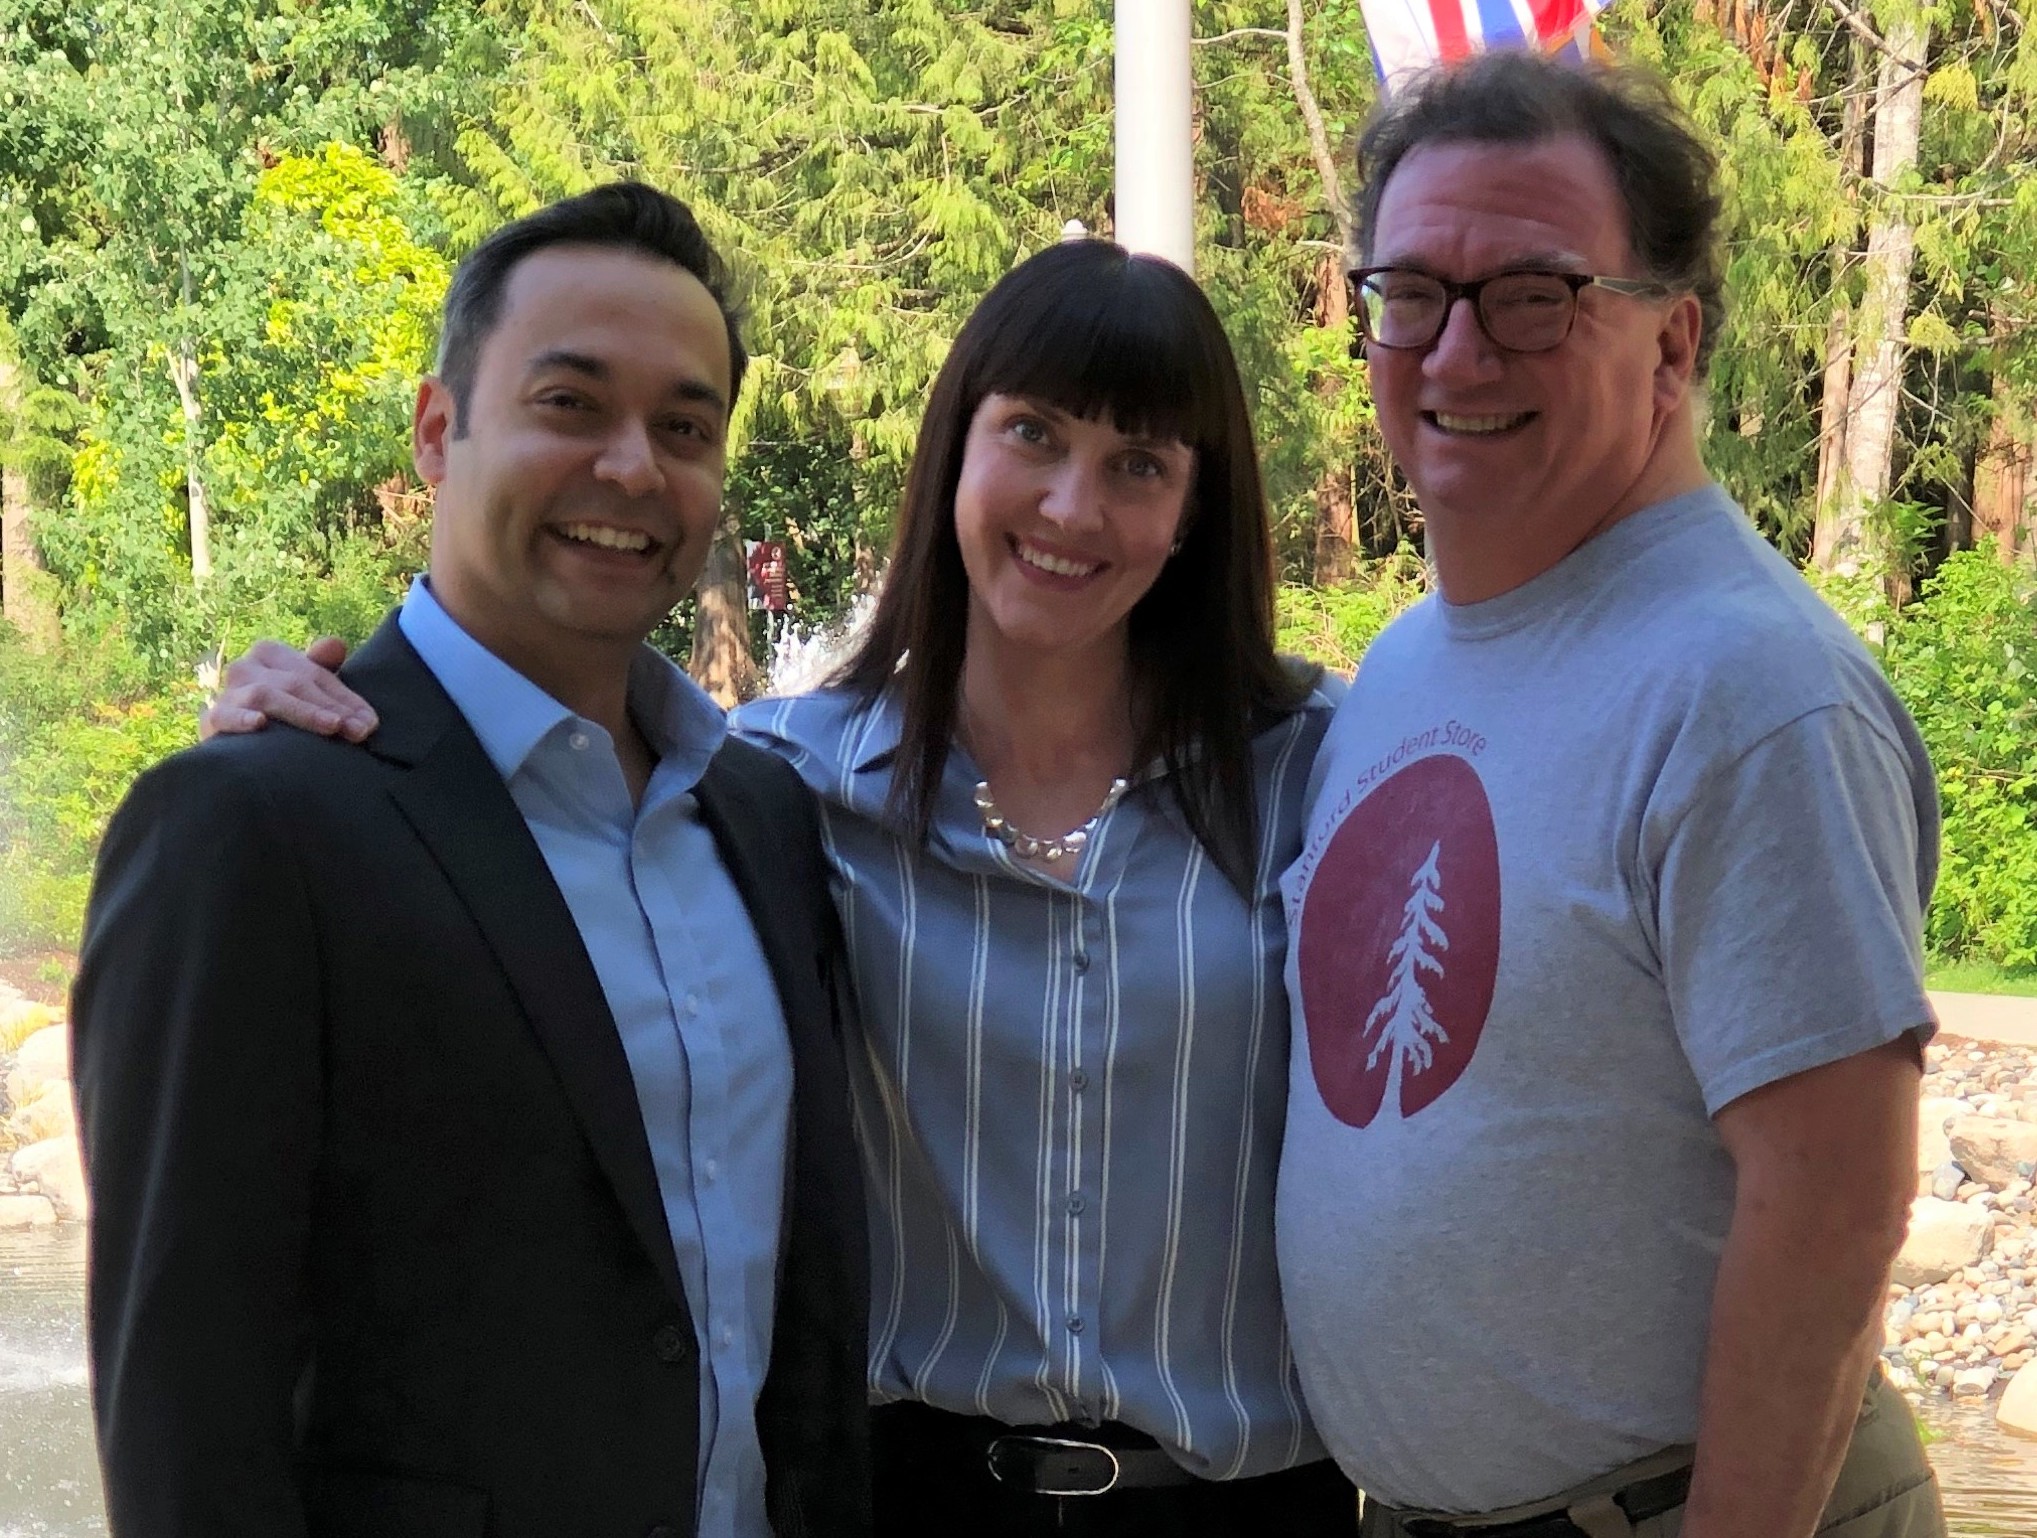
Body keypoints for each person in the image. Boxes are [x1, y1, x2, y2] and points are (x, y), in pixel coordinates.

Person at [206, 239, 1358, 1536]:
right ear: (954, 449)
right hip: (898, 1500)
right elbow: (505, 853)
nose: (1071, 506)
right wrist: (298, 739)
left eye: (1138, 463)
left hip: (1251, 1507)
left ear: (1192, 510)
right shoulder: (770, 784)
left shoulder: (1322, 770)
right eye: (1031, 432)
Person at [72, 183, 869, 1538]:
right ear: (440, 432)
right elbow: (187, 1418)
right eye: (570, 404)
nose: (632, 467)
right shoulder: (252, 829)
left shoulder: (763, 817)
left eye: (683, 426)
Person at [1278, 52, 1943, 1538]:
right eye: (1410, 294)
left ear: (1671, 339)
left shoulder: (1746, 685)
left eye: (1534, 295)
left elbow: (1833, 1205)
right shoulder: (1400, 665)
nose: (1455, 354)